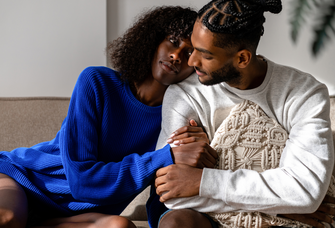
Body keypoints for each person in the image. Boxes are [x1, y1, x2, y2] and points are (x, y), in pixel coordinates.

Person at [0, 6, 215, 228]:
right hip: (21, 179)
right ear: (154, 39)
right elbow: (81, 181)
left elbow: (164, 191)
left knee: (120, 226)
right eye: (172, 41)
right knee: (8, 218)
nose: (176, 55)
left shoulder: (179, 116)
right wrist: (166, 156)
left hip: (71, 213)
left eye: (189, 52)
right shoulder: (97, 82)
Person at [154, 0, 335, 228]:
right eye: (193, 48)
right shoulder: (183, 94)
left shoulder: (304, 93)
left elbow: (305, 191)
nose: (191, 61)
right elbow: (172, 190)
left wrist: (202, 182)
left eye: (205, 55)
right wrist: (278, 206)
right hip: (206, 220)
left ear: (242, 59)